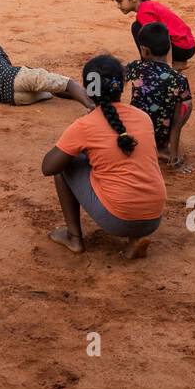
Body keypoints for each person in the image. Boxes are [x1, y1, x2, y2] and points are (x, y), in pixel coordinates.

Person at [40, 54, 166, 259]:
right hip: (153, 218)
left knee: (66, 165)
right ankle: (136, 238)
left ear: (89, 89)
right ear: (122, 86)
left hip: (118, 219)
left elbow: (48, 167)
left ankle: (73, 237)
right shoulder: (143, 117)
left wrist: (76, 146)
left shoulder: (84, 125)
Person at [0, 25, 94, 108]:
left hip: (14, 99)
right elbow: (8, 68)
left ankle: (88, 96)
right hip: (17, 78)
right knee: (67, 83)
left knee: (50, 90)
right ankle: (91, 105)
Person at [126, 23, 193, 172]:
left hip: (136, 133)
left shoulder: (135, 68)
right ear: (169, 48)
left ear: (145, 51)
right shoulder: (179, 78)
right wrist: (175, 159)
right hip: (161, 135)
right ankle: (164, 150)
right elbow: (176, 122)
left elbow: (117, 79)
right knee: (186, 103)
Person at [108, 0, 195, 71]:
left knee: (137, 28)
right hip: (188, 47)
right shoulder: (149, 5)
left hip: (182, 48)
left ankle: (149, 65)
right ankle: (179, 62)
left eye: (120, 1)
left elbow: (163, 36)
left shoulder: (143, 13)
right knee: (141, 28)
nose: (118, 6)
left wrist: (168, 66)